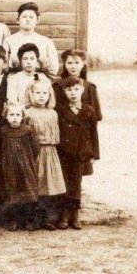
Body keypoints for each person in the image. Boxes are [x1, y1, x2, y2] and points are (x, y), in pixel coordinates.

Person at [56, 76, 98, 230]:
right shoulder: (60, 110)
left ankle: (75, 214)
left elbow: (93, 133)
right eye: (68, 90)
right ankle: (64, 214)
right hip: (64, 153)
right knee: (64, 183)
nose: (72, 93)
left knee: (76, 184)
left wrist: (94, 154)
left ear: (82, 90)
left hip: (81, 153)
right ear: (64, 92)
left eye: (76, 89)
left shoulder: (88, 110)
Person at [25, 79, 66, 230]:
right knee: (34, 185)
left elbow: (56, 135)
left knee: (48, 186)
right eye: (38, 93)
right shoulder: (28, 113)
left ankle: (46, 219)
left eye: (45, 93)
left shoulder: (53, 113)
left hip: (49, 152)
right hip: (34, 152)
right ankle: (33, 219)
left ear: (50, 95)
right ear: (32, 94)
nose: (41, 96)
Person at [54, 48, 102, 174]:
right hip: (62, 136)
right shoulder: (57, 86)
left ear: (83, 64)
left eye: (76, 63)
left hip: (81, 139)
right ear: (64, 64)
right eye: (69, 63)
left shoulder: (89, 87)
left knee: (77, 173)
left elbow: (94, 118)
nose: (73, 67)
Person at [0, 102, 40, 232]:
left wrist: (27, 160)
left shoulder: (27, 130)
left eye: (17, 115)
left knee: (28, 191)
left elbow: (35, 148)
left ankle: (29, 220)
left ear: (22, 116)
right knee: (11, 191)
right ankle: (13, 220)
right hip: (9, 166)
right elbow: (0, 148)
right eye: (11, 115)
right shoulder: (3, 131)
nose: (14, 118)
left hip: (25, 166)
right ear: (6, 116)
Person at [3, 2, 59, 78]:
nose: (27, 20)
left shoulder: (46, 42)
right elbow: (3, 67)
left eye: (31, 17)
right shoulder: (9, 41)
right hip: (15, 80)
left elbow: (53, 69)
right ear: (18, 19)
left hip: (39, 81)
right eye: (24, 17)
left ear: (38, 20)